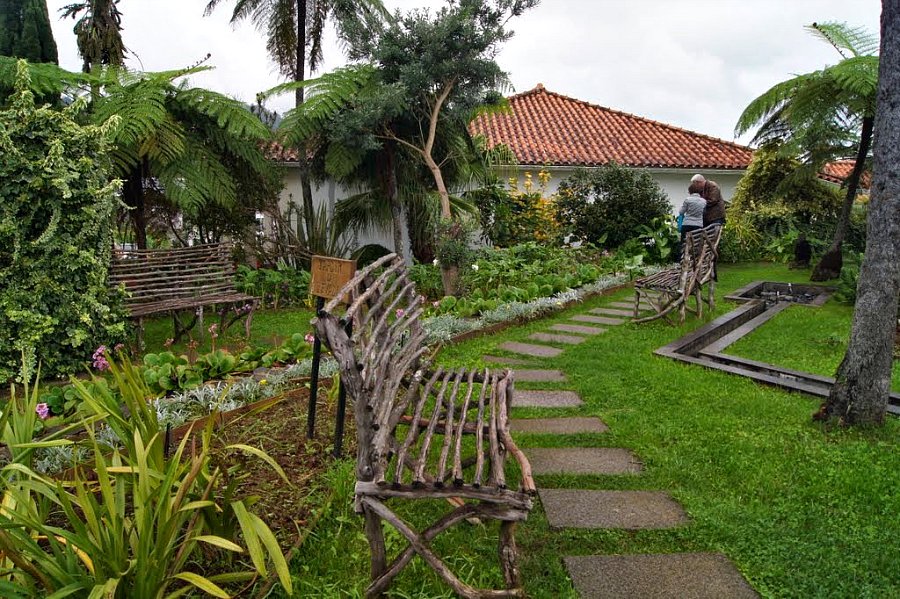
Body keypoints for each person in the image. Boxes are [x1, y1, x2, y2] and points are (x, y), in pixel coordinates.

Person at [677, 181, 707, 260]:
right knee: (696, 244)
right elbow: (704, 213)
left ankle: (681, 259)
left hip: (687, 223)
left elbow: (681, 212)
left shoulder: (688, 200)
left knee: (684, 243)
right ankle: (695, 260)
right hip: (698, 225)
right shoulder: (704, 201)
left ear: (690, 191)